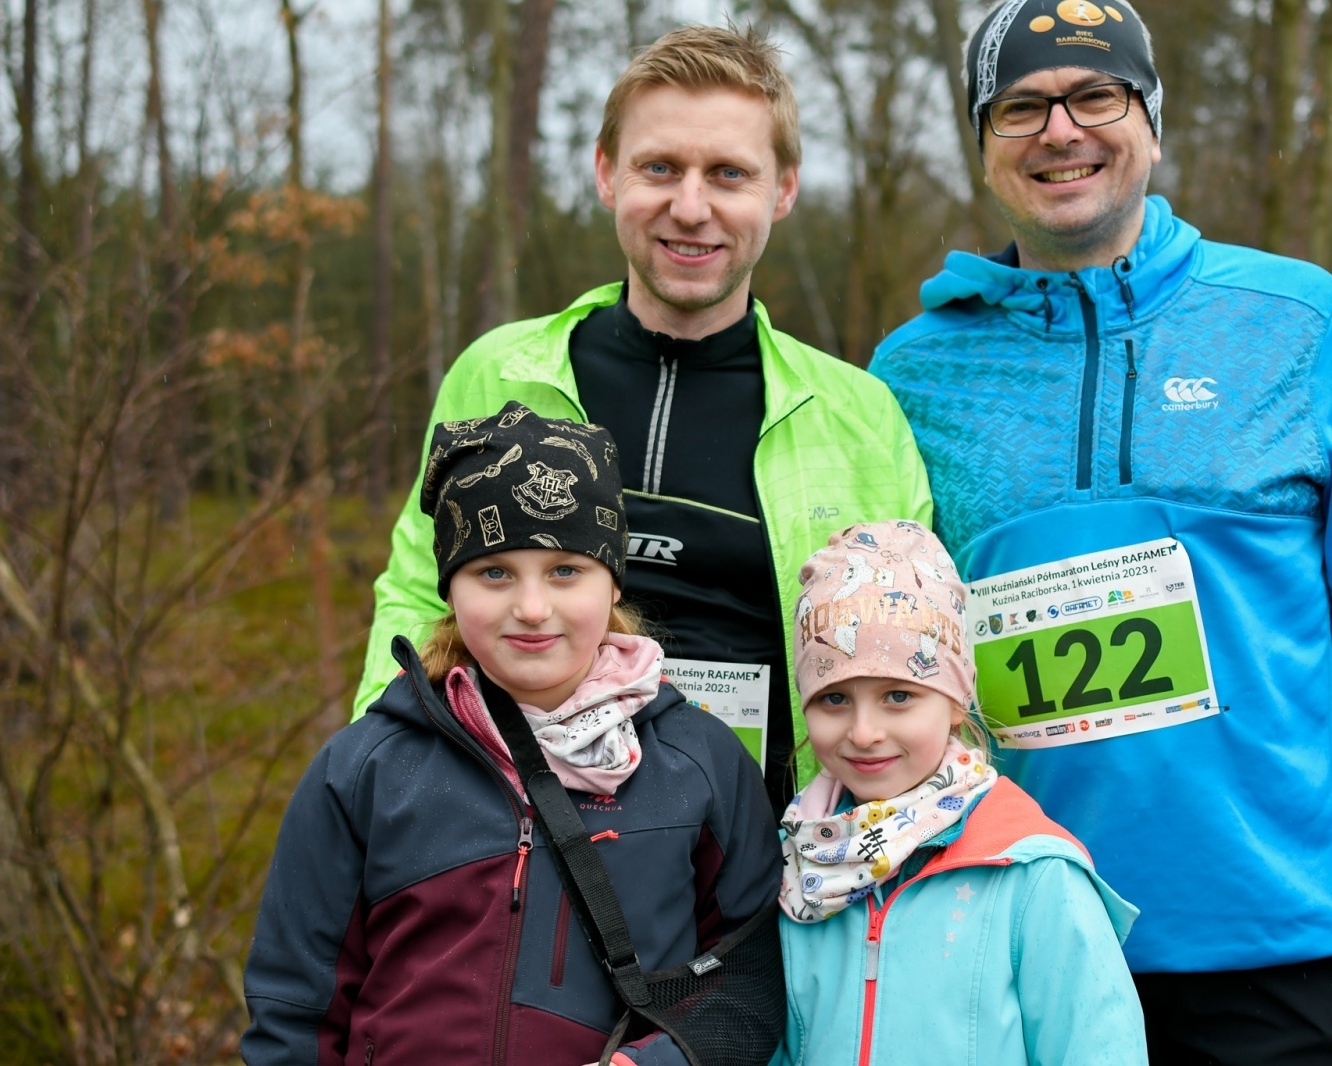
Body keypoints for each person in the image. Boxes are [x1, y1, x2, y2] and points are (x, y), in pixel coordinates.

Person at [867, 2, 1332, 1062]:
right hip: (1009, 929)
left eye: (1094, 96)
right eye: (1019, 108)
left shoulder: (1298, 322)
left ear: (1150, 120)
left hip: (1274, 939)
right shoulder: (913, 371)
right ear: (983, 147)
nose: (1060, 131)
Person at [355, 24, 932, 813]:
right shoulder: (499, 374)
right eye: (659, 167)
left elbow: (916, 663)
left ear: (784, 189)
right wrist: (380, 788)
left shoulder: (860, 415)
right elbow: (420, 598)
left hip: (768, 864)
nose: (689, 207)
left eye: (729, 173)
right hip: (512, 837)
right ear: (606, 174)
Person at [243, 403, 782, 1064]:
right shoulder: (366, 770)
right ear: (450, 589)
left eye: (565, 571)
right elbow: (293, 1008)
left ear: (612, 583)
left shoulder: (700, 763)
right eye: (494, 572)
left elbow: (751, 979)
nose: (531, 608)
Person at [771, 520, 1146, 1065]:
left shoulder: (1031, 872)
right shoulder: (799, 862)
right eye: (834, 699)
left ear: (955, 701)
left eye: (898, 696)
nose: (864, 732)